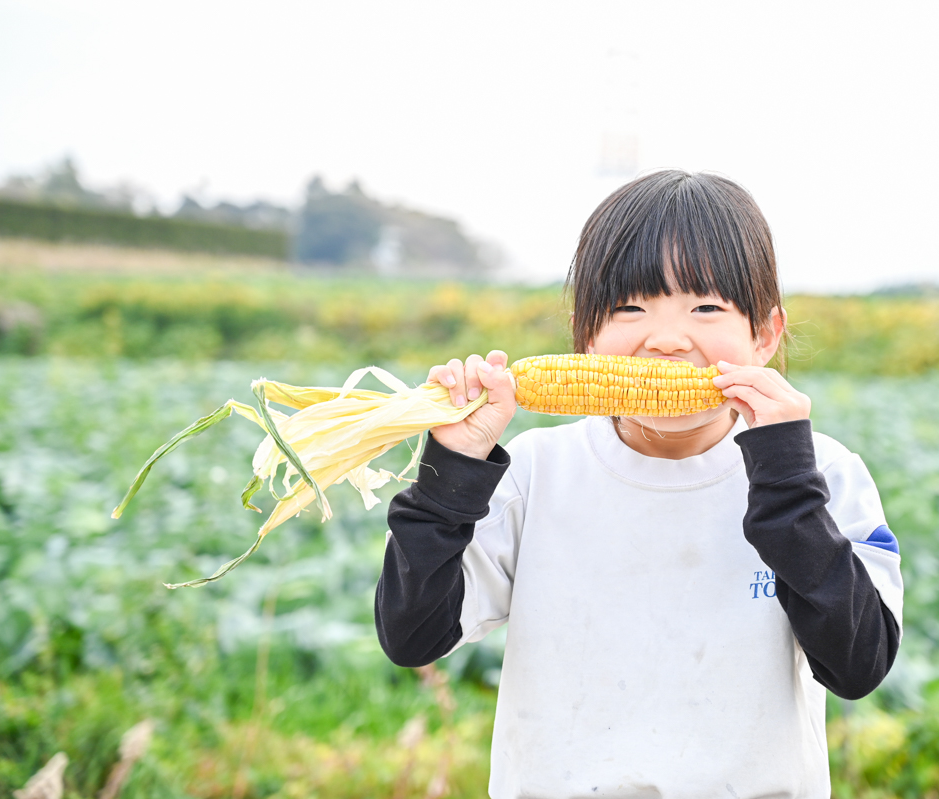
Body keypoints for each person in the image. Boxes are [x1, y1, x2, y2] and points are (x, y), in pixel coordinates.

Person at [375, 170, 903, 798]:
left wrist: (787, 482)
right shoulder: (535, 473)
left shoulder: (823, 474)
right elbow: (413, 636)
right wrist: (450, 472)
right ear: (585, 335)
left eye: (706, 307)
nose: (667, 341)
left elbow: (857, 665)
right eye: (630, 308)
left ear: (764, 334)